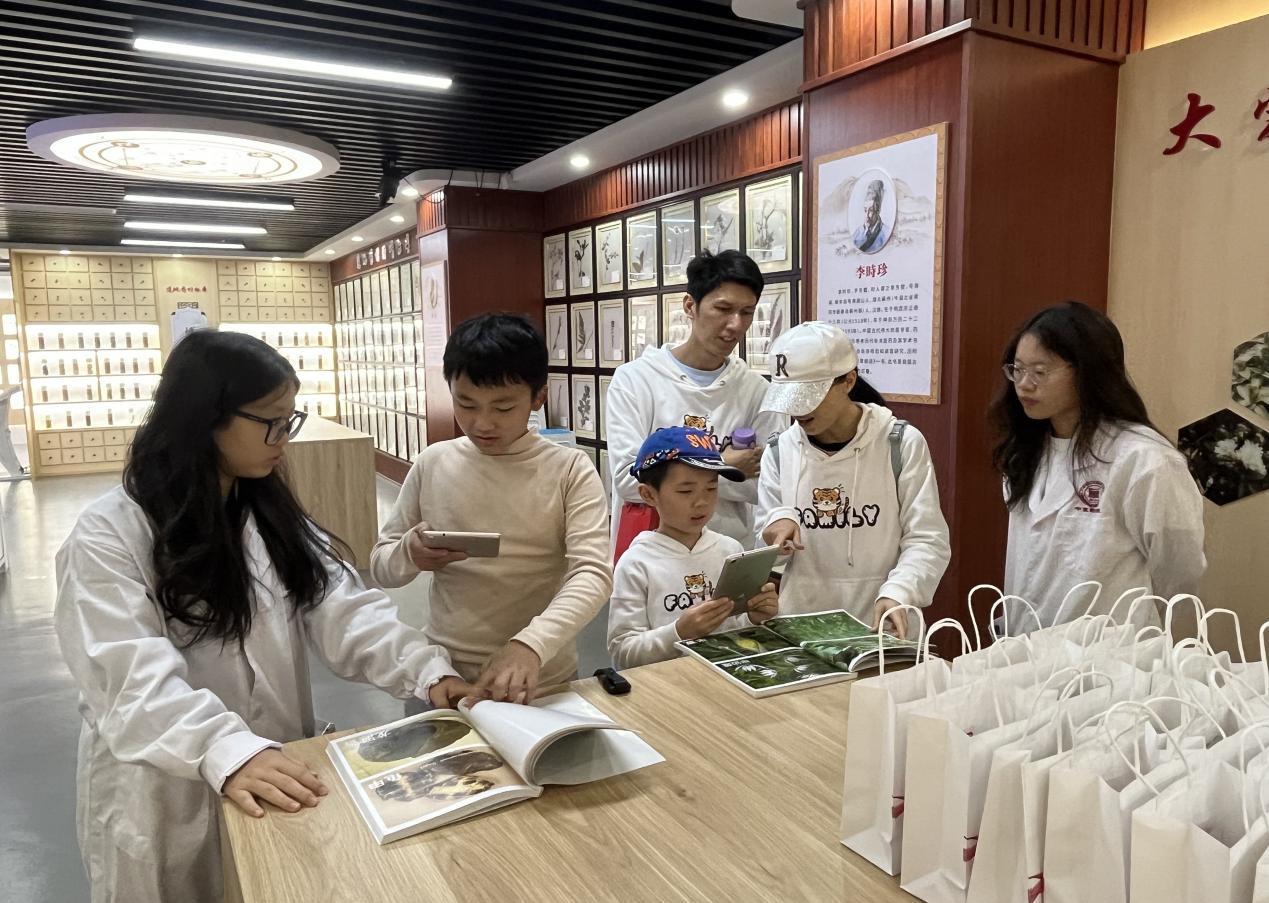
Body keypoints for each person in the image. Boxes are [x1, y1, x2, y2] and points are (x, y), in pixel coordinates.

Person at [54, 330, 471, 903]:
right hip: (166, 790)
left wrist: (428, 672)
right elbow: (128, 681)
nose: (284, 439)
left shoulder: (266, 514)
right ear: (206, 419)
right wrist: (227, 749)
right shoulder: (110, 535)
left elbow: (343, 609)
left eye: (289, 420)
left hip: (268, 770)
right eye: (272, 423)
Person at [371, 313, 611, 705]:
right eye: (465, 404)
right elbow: (381, 566)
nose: (482, 423)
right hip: (444, 676)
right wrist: (408, 555)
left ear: (538, 397)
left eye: (503, 408)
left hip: (540, 678)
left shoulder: (569, 469)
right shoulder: (433, 463)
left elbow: (593, 574)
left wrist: (530, 645)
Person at [991, 301, 1206, 630]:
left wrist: (1140, 632)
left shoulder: (1142, 458)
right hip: (1024, 646)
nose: (1024, 384)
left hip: (1107, 651)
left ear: (1088, 372)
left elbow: (1179, 570)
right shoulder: (1025, 450)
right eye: (1017, 369)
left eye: (1040, 371)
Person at [756, 322, 950, 634]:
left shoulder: (899, 443)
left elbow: (928, 538)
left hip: (882, 627)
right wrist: (773, 533)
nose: (799, 409)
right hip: (802, 629)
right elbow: (765, 545)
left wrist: (900, 591)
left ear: (848, 380)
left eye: (810, 394)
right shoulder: (779, 452)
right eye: (790, 396)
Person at [605, 250, 787, 559]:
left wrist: (673, 475)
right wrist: (724, 464)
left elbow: (767, 484)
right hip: (652, 557)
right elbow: (627, 479)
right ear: (690, 306)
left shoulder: (757, 390)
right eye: (723, 309)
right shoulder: (636, 380)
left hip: (729, 554)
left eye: (747, 312)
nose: (736, 324)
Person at [607, 427, 779, 669]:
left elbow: (734, 628)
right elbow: (622, 652)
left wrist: (754, 616)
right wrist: (678, 632)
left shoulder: (729, 550)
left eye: (711, 488)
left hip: (723, 678)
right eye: (685, 491)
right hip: (665, 684)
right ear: (648, 494)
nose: (702, 501)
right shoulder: (636, 563)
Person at [852, 179, 892, 254]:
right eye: (865, 210)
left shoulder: (886, 233)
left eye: (870, 210)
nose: (867, 215)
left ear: (877, 211)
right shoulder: (857, 233)